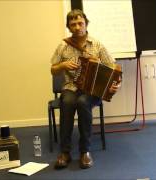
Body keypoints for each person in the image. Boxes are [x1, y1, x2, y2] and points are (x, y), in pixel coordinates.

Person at [50, 9, 121, 169]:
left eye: (80, 23)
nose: (77, 27)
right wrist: (62, 65)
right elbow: (53, 69)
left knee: (83, 102)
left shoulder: (97, 44)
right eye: (73, 24)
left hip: (92, 90)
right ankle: (65, 152)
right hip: (70, 87)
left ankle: (85, 152)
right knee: (67, 102)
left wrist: (117, 83)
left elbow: (113, 67)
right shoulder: (63, 46)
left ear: (86, 24)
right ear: (68, 26)